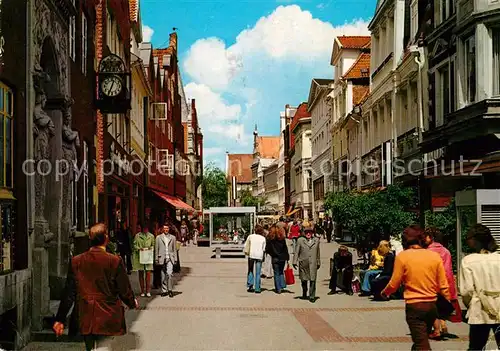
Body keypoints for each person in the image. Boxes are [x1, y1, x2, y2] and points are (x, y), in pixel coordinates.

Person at [53, 223, 138, 351]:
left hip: (85, 315)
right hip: (107, 315)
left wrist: (60, 319)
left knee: (90, 348)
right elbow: (124, 289)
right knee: (105, 347)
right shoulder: (114, 261)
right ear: (106, 238)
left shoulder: (77, 261)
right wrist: (131, 302)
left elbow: (69, 292)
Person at [381, 225, 450, 351]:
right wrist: (448, 301)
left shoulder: (403, 257)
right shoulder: (434, 256)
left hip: (415, 306)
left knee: (421, 345)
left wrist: (385, 293)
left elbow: (394, 282)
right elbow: (443, 284)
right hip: (432, 307)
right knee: (420, 340)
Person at [460, 224, 500, 351]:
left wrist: (469, 305)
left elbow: (466, 291)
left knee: (476, 347)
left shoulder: (468, 260)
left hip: (479, 308)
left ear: (475, 240)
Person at [424, 227, 460, 338]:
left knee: (433, 307)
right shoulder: (446, 251)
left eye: (426, 236)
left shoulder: (427, 252)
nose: (424, 239)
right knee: (442, 305)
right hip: (446, 282)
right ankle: (444, 326)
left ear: (431, 238)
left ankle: (436, 330)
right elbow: (448, 269)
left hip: (433, 283)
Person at [293, 226, 321, 303]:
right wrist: (294, 261)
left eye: (310, 232)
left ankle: (312, 296)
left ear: (312, 233)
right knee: (304, 280)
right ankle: (304, 292)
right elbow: (296, 252)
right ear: (304, 233)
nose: (308, 233)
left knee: (313, 280)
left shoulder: (316, 240)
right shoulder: (300, 240)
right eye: (306, 232)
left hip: (313, 263)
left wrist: (318, 262)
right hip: (303, 264)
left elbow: (318, 252)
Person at [155, 224, 178, 297]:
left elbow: (174, 249)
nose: (166, 230)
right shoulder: (158, 238)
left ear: (169, 229)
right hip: (161, 258)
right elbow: (156, 249)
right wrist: (156, 259)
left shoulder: (173, 238)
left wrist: (175, 259)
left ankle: (170, 290)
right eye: (164, 228)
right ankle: (164, 290)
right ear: (162, 229)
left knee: (169, 274)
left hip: (170, 258)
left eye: (167, 228)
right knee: (163, 275)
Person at [132, 224, 155, 297]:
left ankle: (148, 291)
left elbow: (154, 245)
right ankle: (142, 291)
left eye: (146, 228)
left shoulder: (151, 236)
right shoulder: (137, 236)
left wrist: (150, 248)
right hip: (140, 256)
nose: (145, 230)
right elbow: (134, 245)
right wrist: (139, 248)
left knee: (148, 274)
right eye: (144, 228)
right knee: (141, 273)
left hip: (148, 256)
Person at [266, 224, 290, 294]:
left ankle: (278, 288)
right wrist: (287, 257)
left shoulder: (270, 239)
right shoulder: (282, 239)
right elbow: (285, 248)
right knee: (281, 271)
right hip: (282, 258)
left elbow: (268, 249)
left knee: (276, 273)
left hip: (275, 258)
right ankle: (282, 285)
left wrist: (271, 254)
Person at [244, 224, 267, 293]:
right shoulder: (263, 238)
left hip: (251, 255)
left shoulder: (251, 236)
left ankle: (250, 285)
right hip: (259, 256)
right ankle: (257, 288)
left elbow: (246, 245)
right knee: (258, 272)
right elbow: (264, 249)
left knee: (250, 270)